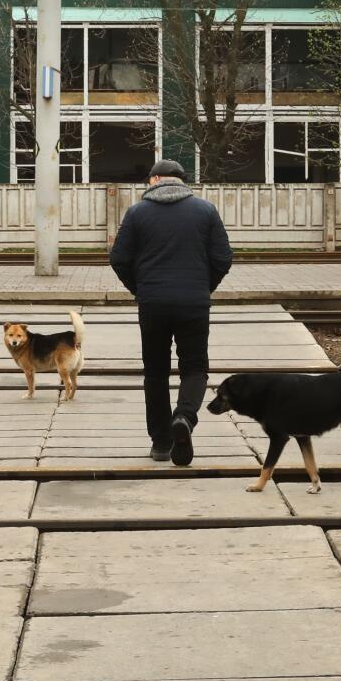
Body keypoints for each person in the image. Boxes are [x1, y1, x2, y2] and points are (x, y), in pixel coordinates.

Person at [107, 158, 232, 466]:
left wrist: (141, 289)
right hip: (194, 303)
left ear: (156, 179)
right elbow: (223, 258)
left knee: (155, 372)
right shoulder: (205, 211)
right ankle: (185, 418)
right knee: (195, 366)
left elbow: (119, 259)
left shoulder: (137, 213)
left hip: (153, 304)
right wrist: (204, 286)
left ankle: (162, 443)